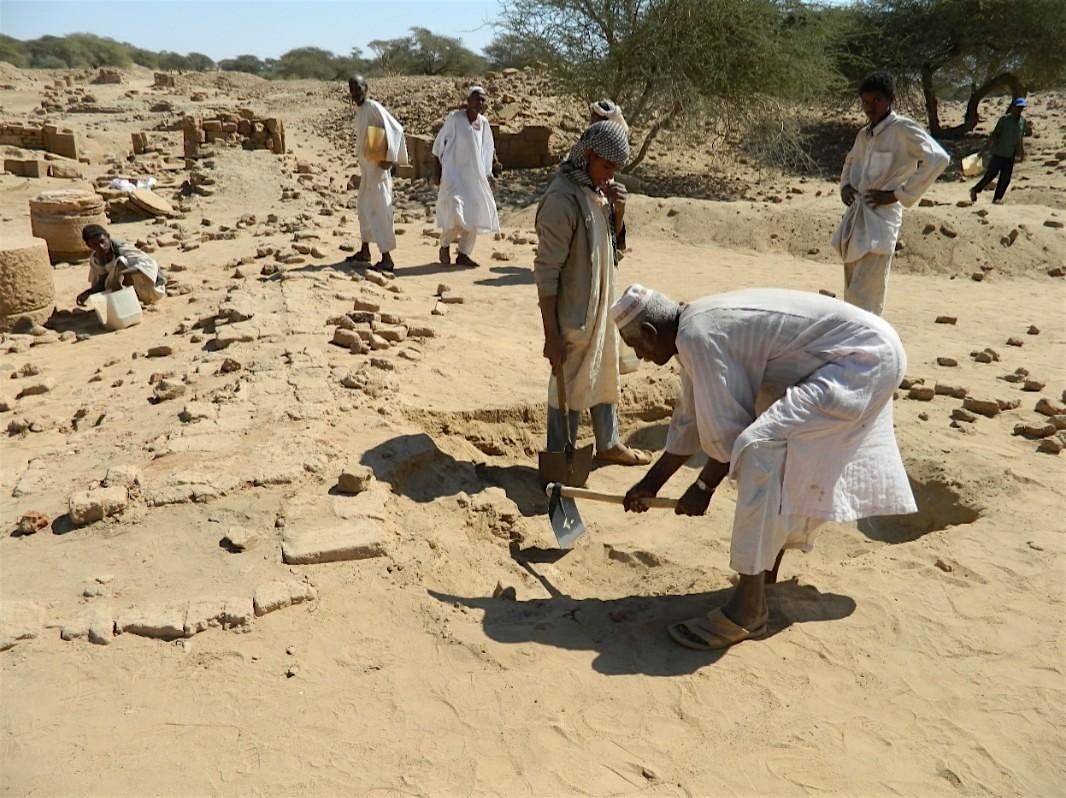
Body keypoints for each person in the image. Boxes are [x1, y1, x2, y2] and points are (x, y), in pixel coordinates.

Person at [614, 284, 916, 651]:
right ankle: (764, 573)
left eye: (635, 346)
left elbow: (730, 436)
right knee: (774, 448)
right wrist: (650, 484)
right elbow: (691, 420)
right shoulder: (693, 330)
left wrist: (703, 488)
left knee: (758, 449)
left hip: (861, 361)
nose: (639, 356)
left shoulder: (697, 336)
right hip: (866, 351)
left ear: (650, 332)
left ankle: (748, 611)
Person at [533, 122, 651, 469]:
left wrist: (618, 212)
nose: (611, 176)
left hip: (601, 309)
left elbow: (615, 251)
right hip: (573, 315)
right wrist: (551, 334)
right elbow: (546, 273)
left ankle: (608, 442)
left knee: (604, 373)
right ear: (588, 156)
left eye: (616, 170)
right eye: (607, 167)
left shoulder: (599, 193)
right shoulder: (561, 199)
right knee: (566, 383)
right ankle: (560, 455)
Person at [831, 71, 949, 315]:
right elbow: (850, 162)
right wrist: (845, 187)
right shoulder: (864, 135)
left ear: (890, 100)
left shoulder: (902, 129)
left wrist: (898, 194)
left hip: (881, 222)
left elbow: (938, 158)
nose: (870, 107)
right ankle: (854, 349)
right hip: (856, 223)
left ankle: (868, 349)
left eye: (876, 101)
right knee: (852, 293)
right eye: (865, 102)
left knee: (866, 299)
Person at [433, 86, 500, 268]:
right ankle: (445, 245)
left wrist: (488, 174)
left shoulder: (483, 123)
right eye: (476, 99)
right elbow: (440, 143)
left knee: (475, 214)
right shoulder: (455, 119)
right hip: (454, 176)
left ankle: (463, 253)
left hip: (475, 177)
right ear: (468, 100)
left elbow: (487, 149)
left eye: (482, 100)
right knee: (456, 213)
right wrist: (439, 169)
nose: (479, 103)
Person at [347, 75, 409, 272]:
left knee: (379, 211)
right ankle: (365, 251)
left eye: (358, 88)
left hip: (377, 171)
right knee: (364, 209)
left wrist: (389, 159)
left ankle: (387, 258)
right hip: (367, 170)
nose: (355, 93)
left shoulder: (374, 107)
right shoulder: (361, 110)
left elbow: (396, 129)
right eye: (352, 90)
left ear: (366, 87)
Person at [76, 224, 166, 307]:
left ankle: (131, 299)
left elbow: (149, 263)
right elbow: (103, 282)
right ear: (88, 245)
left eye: (102, 241)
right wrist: (88, 293)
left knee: (121, 262)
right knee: (100, 280)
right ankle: (125, 301)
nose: (101, 247)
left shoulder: (121, 248)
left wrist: (121, 274)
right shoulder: (95, 259)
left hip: (151, 291)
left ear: (108, 237)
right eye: (95, 244)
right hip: (132, 294)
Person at [969, 96, 1028, 205]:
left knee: (1005, 179)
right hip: (999, 153)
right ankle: (975, 190)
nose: (1020, 109)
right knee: (990, 175)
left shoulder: (1022, 122)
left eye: (1022, 107)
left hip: (1010, 155)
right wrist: (985, 149)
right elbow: (994, 135)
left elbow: (1020, 139)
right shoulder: (1004, 120)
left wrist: (1022, 153)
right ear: (1013, 107)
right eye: (1018, 107)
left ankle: (997, 199)